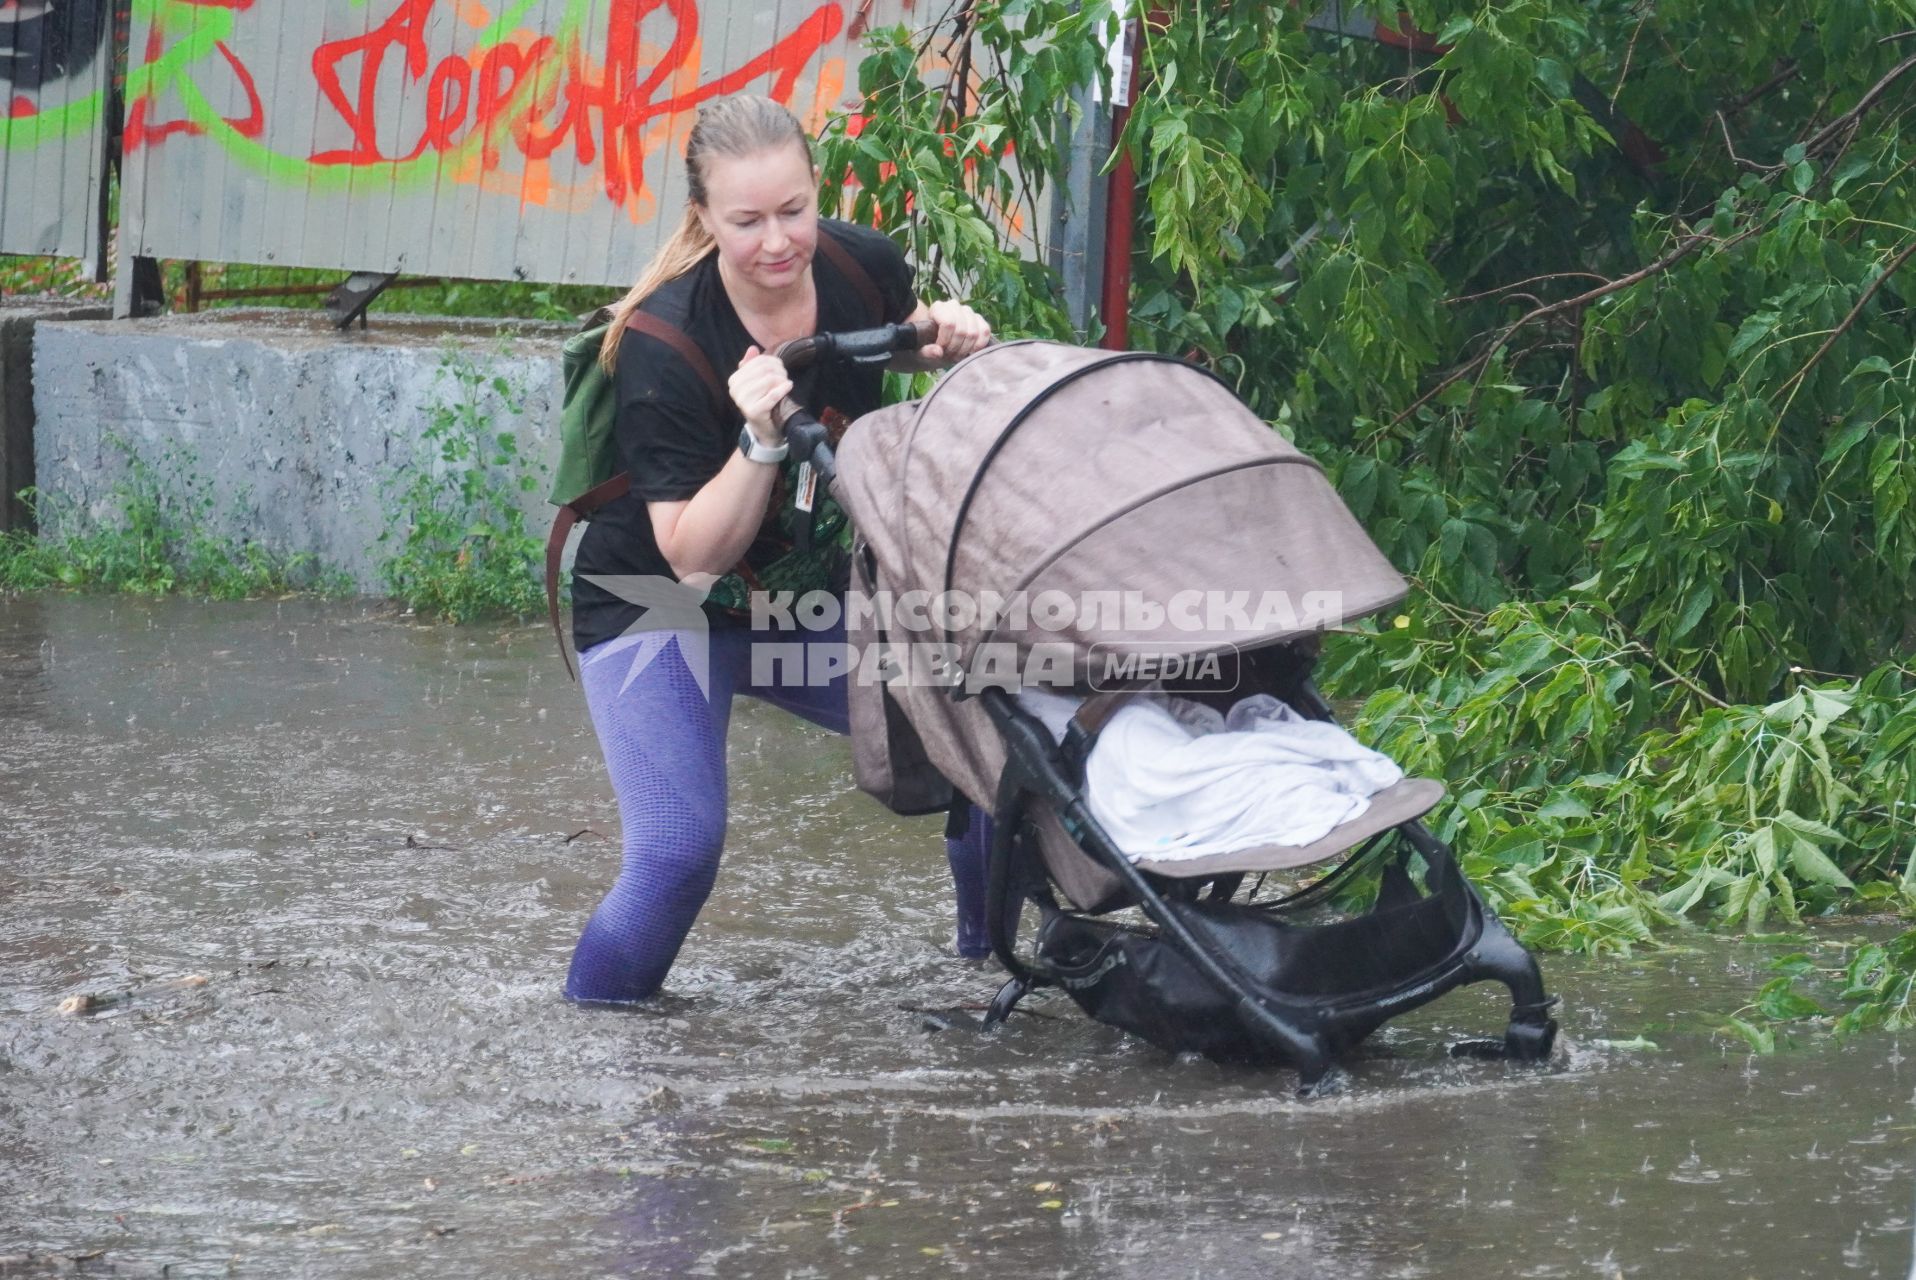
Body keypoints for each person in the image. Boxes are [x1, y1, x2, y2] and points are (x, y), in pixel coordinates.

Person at [564, 94, 994, 1004]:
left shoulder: (860, 263)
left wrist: (941, 340)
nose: (777, 242)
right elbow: (687, 559)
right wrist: (758, 438)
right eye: (748, 220)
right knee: (678, 853)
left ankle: (992, 981)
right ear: (703, 219)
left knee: (991, 735)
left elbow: (887, 345)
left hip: (792, 598)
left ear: (815, 192)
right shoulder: (665, 343)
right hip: (658, 602)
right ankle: (592, 1043)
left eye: (793, 210)